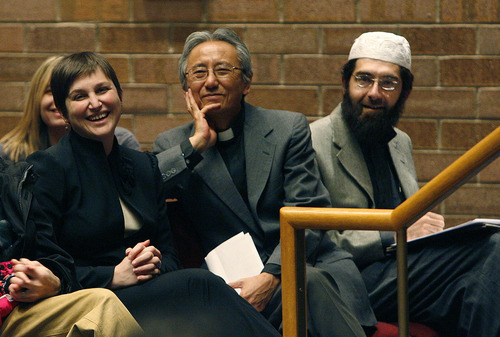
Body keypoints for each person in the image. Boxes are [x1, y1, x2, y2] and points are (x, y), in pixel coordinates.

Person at [26, 51, 281, 337]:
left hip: (150, 291)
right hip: (90, 300)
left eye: (102, 89)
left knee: (205, 303)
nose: (95, 103)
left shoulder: (143, 166)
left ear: (119, 94)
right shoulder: (46, 168)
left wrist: (153, 262)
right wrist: (114, 275)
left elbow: (171, 256)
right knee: (203, 286)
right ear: (62, 112)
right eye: (79, 96)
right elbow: (44, 266)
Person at [153, 28, 377, 337]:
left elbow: (308, 215)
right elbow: (148, 191)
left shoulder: (287, 128)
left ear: (246, 82)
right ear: (186, 88)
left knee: (306, 283)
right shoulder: (173, 145)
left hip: (307, 266)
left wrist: (272, 276)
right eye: (199, 73)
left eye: (222, 70)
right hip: (234, 283)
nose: (210, 82)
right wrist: (196, 146)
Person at [310, 31, 500, 337]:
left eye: (388, 83)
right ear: (345, 83)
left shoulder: (400, 142)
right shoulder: (312, 140)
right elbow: (312, 241)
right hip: (351, 277)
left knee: (477, 283)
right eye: (363, 79)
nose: (374, 92)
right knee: (491, 251)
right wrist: (394, 233)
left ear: (404, 92)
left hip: (400, 269)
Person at [0, 157, 143, 336]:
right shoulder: (48, 166)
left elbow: (54, 257)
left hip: (15, 305)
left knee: (102, 304)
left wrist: (53, 282)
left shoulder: (12, 178)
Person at [0, 56, 140, 162]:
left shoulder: (122, 141)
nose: (57, 102)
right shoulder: (9, 152)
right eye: (50, 92)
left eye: (101, 90)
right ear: (35, 98)